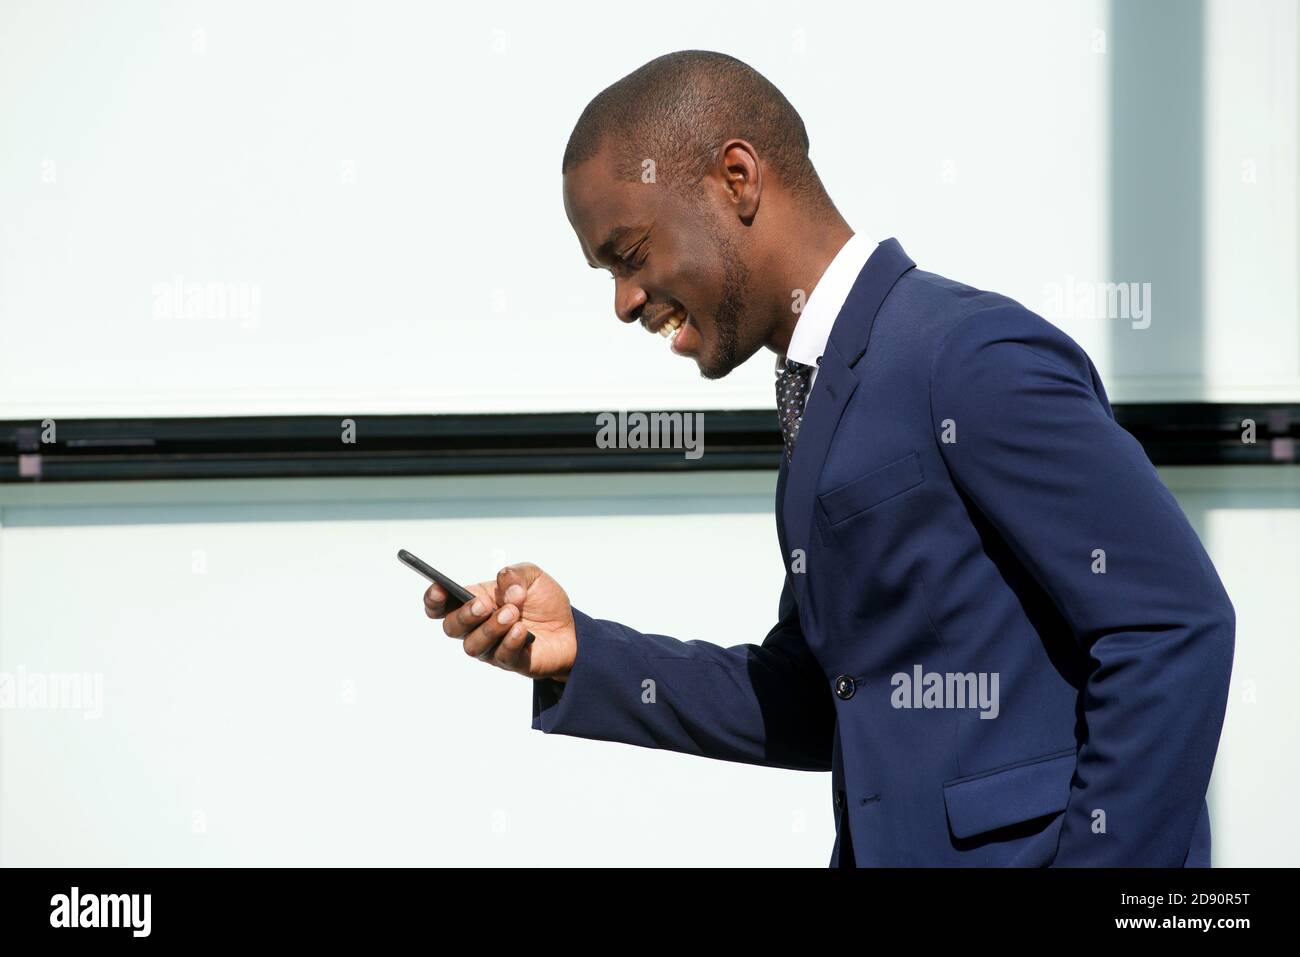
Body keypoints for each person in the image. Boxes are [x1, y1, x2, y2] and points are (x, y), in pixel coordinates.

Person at [422, 50, 1236, 867]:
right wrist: (583, 653)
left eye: (630, 254)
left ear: (737, 178)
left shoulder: (966, 353)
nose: (625, 300)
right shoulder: (825, 395)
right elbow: (820, 700)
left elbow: (1171, 625)